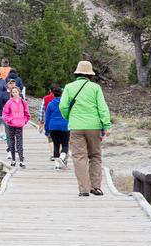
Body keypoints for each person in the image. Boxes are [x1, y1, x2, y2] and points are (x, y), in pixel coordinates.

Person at [59, 60, 112, 197]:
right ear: (90, 75)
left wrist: (69, 118)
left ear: (77, 73)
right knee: (95, 155)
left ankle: (83, 189)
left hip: (76, 127)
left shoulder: (69, 87)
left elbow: (63, 106)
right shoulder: (95, 88)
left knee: (79, 157)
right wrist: (106, 125)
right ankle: (96, 187)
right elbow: (102, 108)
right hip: (94, 126)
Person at [2, 85, 30, 167]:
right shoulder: (9, 102)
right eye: (13, 92)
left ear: (19, 92)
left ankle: (21, 161)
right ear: (11, 93)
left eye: (16, 92)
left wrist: (24, 121)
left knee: (19, 142)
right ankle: (13, 160)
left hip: (19, 125)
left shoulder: (23, 102)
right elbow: (5, 113)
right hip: (11, 125)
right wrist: (9, 120)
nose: (14, 94)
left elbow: (27, 113)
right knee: (11, 142)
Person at [44, 85, 70, 171]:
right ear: (62, 94)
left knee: (56, 145)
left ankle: (57, 165)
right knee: (65, 145)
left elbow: (47, 118)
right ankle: (62, 157)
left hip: (53, 126)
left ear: (53, 94)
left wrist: (46, 130)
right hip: (64, 126)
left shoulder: (50, 104)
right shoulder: (65, 104)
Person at [40, 85, 57, 160]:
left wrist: (41, 121)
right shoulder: (61, 98)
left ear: (50, 90)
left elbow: (42, 110)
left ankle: (52, 154)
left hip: (49, 121)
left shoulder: (46, 98)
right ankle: (58, 154)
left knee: (50, 139)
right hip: (60, 121)